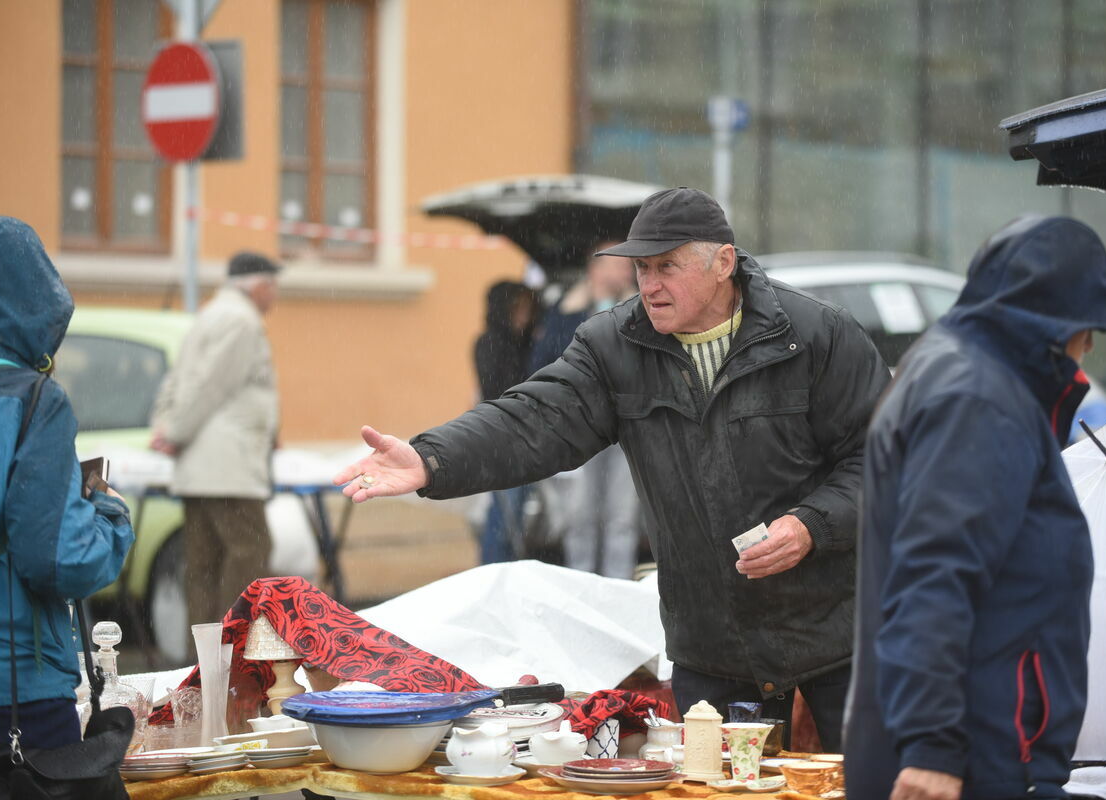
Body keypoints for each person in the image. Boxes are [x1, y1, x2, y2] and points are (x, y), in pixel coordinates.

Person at [335, 188, 891, 749]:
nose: (648, 284)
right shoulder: (614, 344)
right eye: (641, 268)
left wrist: (811, 525)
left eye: (666, 267)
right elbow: (533, 418)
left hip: (835, 637)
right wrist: (433, 459)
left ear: (723, 263)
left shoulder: (818, 335)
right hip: (713, 644)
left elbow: (883, 461)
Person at [844, 216, 1106, 800]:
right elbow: (935, 575)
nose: (1089, 347)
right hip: (971, 759)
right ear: (1049, 321)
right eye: (1087, 327)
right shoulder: (978, 395)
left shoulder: (963, 372)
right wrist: (933, 748)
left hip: (972, 749)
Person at [0, 216, 134, 797]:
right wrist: (111, 518)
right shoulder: (31, 400)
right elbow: (60, 561)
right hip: (5, 698)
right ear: (35, 296)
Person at [151, 252, 281, 628]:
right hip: (229, 467)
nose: (274, 298)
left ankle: (202, 665)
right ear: (258, 285)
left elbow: (178, 379)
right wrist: (175, 432)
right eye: (272, 288)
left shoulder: (208, 315)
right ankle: (234, 656)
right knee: (249, 553)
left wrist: (164, 426)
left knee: (203, 563)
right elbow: (212, 385)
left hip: (201, 467)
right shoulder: (242, 321)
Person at [530, 243, 645, 579]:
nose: (624, 272)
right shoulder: (566, 310)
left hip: (626, 431)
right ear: (594, 269)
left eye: (627, 266)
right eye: (616, 264)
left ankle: (617, 587)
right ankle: (581, 583)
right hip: (579, 426)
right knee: (579, 514)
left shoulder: (643, 310)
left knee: (622, 515)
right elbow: (544, 363)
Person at [472, 280, 537, 563]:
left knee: (513, 512)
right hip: (502, 437)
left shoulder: (524, 342)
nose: (524, 314)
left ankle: (501, 566)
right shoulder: (491, 343)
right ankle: (493, 569)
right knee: (504, 514)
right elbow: (499, 390)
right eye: (518, 308)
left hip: (521, 436)